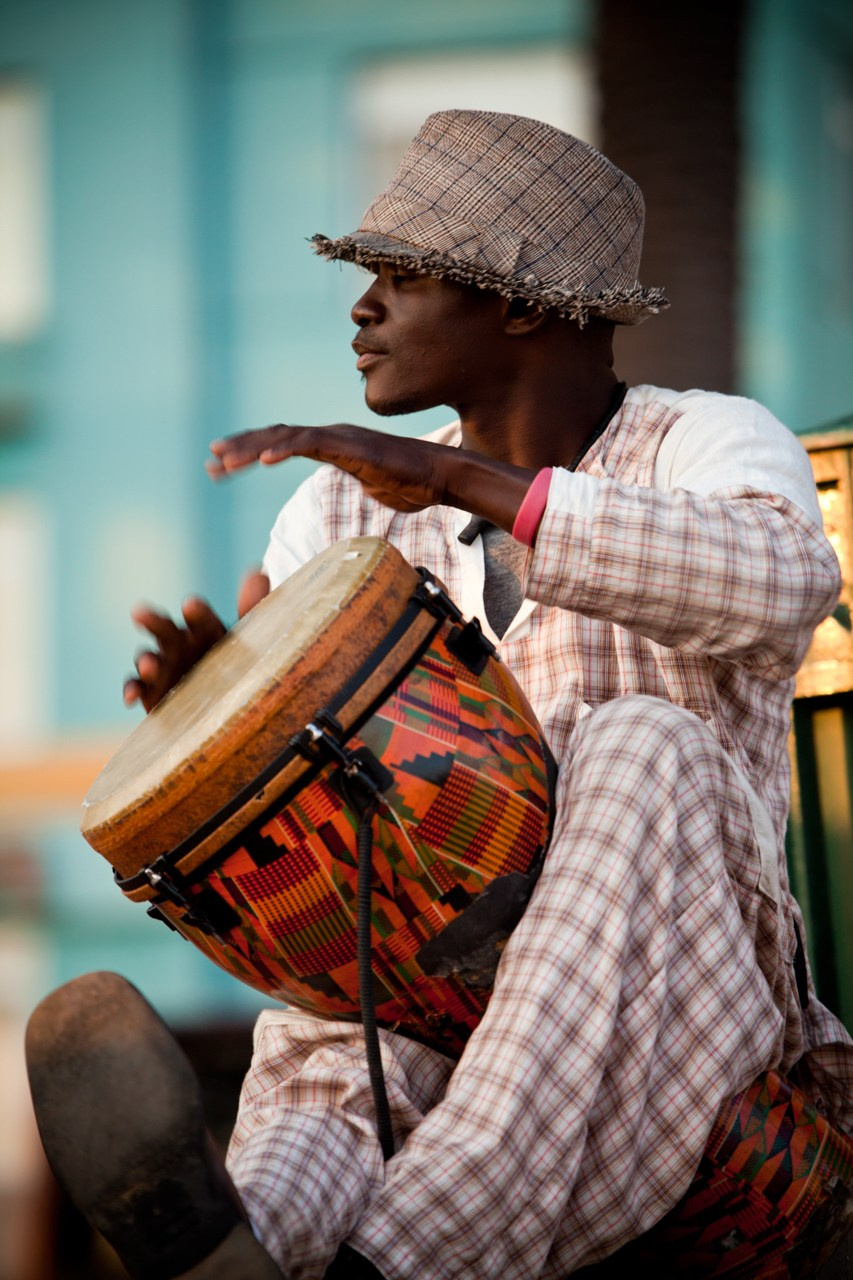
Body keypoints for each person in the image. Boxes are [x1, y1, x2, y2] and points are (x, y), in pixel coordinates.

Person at [27, 110, 853, 1279]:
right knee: (340, 993)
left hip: (685, 1003)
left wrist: (460, 479)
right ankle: (249, 1239)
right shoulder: (334, 517)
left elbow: (783, 581)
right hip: (441, 994)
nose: (360, 308)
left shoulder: (705, 441)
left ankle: (389, 1264)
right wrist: (215, 705)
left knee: (640, 743)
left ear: (518, 303)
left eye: (399, 278)